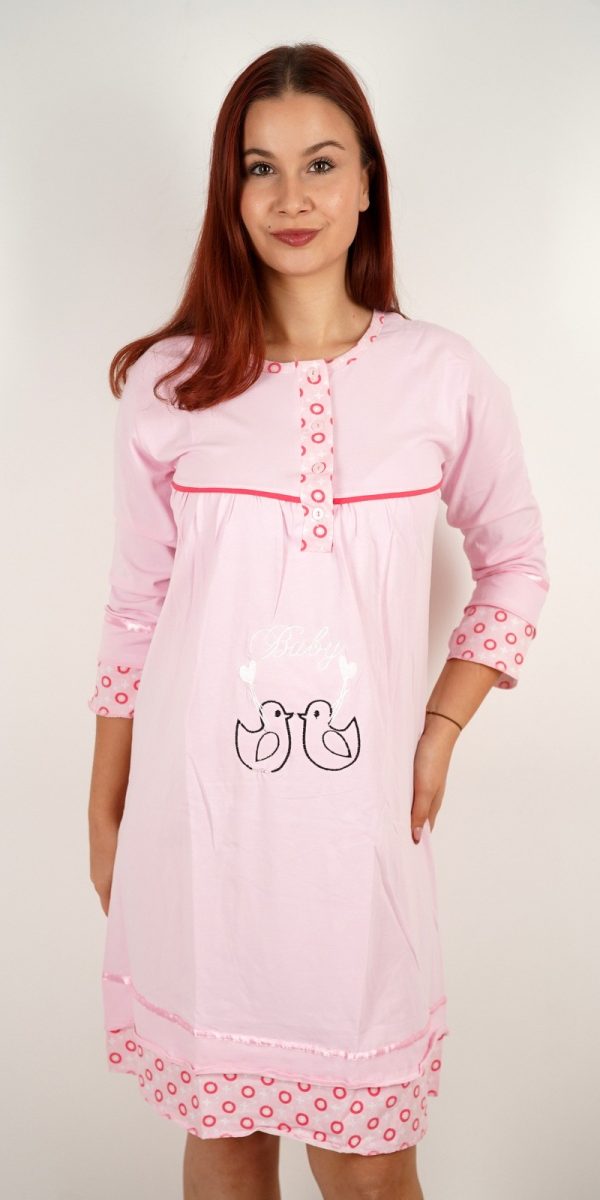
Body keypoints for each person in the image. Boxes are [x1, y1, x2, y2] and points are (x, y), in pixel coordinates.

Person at [87, 42, 550, 1200]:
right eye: (261, 168)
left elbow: (517, 564)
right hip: (198, 831)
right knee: (227, 1140)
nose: (291, 197)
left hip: (357, 842)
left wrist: (439, 730)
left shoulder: (441, 376)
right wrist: (104, 803)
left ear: (367, 183)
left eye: (321, 163)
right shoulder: (172, 383)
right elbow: (135, 608)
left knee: (368, 1164)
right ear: (230, 191)